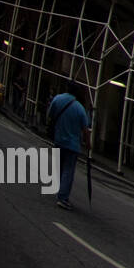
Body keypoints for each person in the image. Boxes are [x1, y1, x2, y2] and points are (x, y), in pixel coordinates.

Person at [48, 83, 91, 211]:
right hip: (72, 145)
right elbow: (85, 129)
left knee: (60, 167)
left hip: (58, 139)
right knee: (68, 170)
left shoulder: (57, 99)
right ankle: (62, 197)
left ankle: (60, 190)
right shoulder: (80, 109)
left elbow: (50, 114)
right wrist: (88, 144)